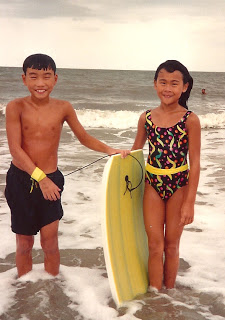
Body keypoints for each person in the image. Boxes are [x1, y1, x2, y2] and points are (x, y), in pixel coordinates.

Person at [5, 53, 129, 278]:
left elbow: (84, 137)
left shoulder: (64, 107)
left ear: (55, 79)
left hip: (52, 180)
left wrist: (110, 150)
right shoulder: (15, 107)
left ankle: (51, 289)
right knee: (24, 243)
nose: (40, 83)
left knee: (50, 242)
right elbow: (15, 149)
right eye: (33, 77)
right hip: (22, 180)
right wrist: (40, 179)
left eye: (46, 77)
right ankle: (24, 292)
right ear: (24, 79)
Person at [132, 60, 201, 291]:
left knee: (171, 246)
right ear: (155, 84)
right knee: (154, 245)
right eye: (163, 82)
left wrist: (189, 203)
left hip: (179, 186)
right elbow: (135, 153)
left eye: (174, 83)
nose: (167, 88)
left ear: (185, 87)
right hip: (152, 184)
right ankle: (155, 294)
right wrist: (117, 156)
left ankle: (168, 296)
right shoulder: (146, 118)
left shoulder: (190, 119)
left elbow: (196, 163)